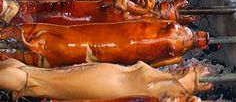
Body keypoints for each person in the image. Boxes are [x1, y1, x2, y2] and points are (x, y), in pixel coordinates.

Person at [0, 58, 211, 100]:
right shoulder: (156, 81)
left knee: (29, 78)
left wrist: (180, 79)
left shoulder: (157, 91)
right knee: (27, 73)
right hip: (103, 76)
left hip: (100, 82)